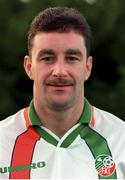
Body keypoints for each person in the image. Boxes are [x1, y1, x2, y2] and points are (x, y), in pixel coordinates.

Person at [0, 7, 125, 179]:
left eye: (72, 58)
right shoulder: (2, 142)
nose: (59, 71)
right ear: (29, 67)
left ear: (87, 67)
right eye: (47, 58)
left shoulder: (121, 139)